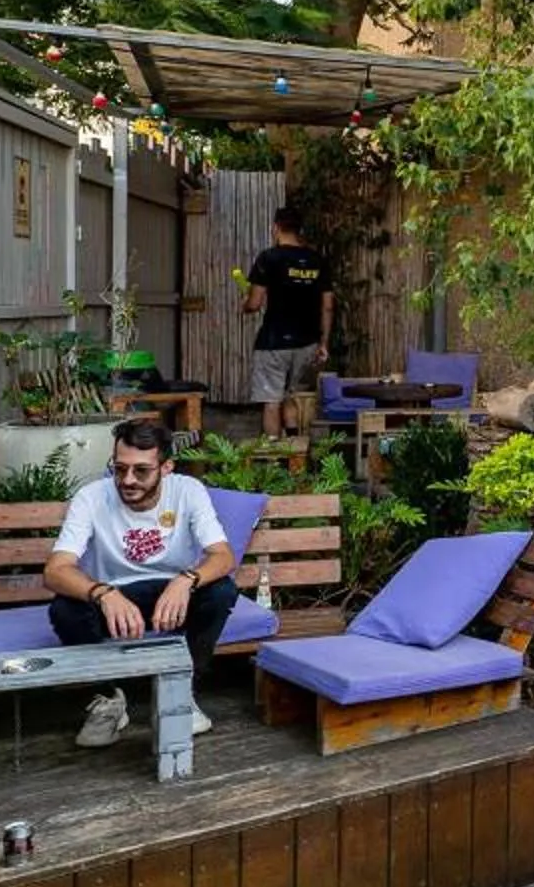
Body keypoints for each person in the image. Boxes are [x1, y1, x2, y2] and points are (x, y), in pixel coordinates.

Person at [41, 418, 237, 745]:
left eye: (141, 471)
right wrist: (103, 593)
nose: (127, 480)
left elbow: (223, 556)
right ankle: (109, 700)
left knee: (221, 592)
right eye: (119, 469)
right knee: (65, 609)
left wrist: (185, 581)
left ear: (166, 467)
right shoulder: (91, 497)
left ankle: (182, 692)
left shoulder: (188, 491)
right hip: (115, 604)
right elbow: (55, 571)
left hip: (173, 601)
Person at [243, 204, 333, 438]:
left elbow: (254, 304)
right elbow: (328, 305)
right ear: (299, 229)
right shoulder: (316, 260)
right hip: (307, 343)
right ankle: (294, 453)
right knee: (290, 395)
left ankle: (275, 460)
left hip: (274, 343)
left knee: (271, 401)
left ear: (276, 228)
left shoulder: (269, 258)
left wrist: (245, 304)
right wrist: (323, 343)